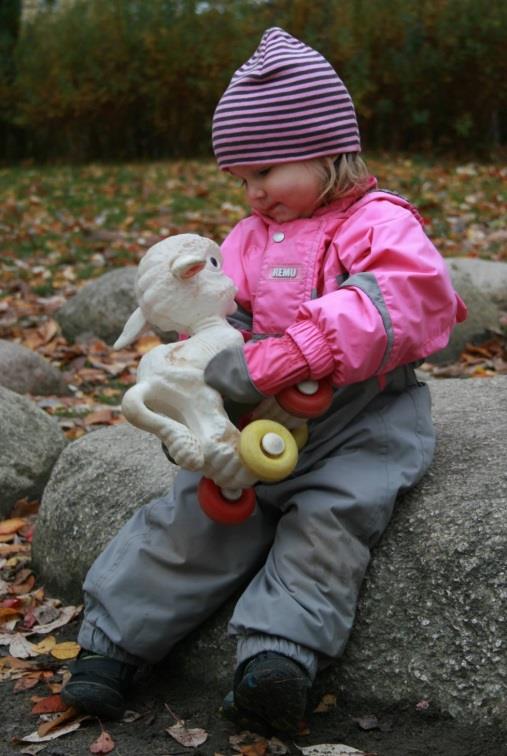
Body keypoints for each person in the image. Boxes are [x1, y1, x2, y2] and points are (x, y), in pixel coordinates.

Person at [61, 27, 466, 733]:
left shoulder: (379, 223)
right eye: (240, 180)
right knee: (195, 515)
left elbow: (413, 296)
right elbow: (220, 317)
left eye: (266, 172)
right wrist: (205, 386)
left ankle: (276, 661)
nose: (252, 194)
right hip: (257, 422)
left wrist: (302, 348)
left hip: (361, 422)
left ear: (325, 149)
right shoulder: (247, 239)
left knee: (331, 523)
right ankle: (112, 644)